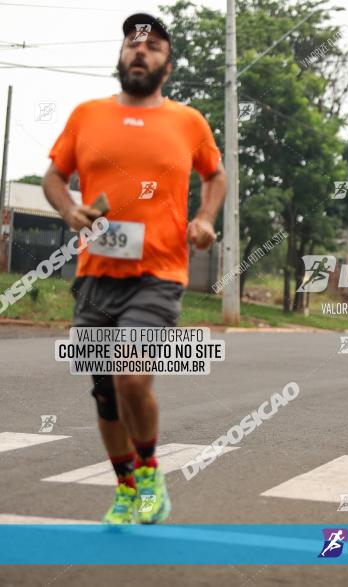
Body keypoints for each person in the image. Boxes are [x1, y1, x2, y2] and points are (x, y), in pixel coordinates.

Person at [42, 14, 227, 524]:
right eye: (131, 43)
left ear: (168, 64)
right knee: (105, 391)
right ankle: (127, 488)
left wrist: (206, 218)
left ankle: (150, 474)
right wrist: (68, 210)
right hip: (96, 275)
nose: (139, 51)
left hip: (160, 272)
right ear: (121, 56)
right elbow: (55, 175)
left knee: (130, 374)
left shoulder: (187, 121)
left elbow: (215, 175)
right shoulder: (87, 116)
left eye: (152, 46)